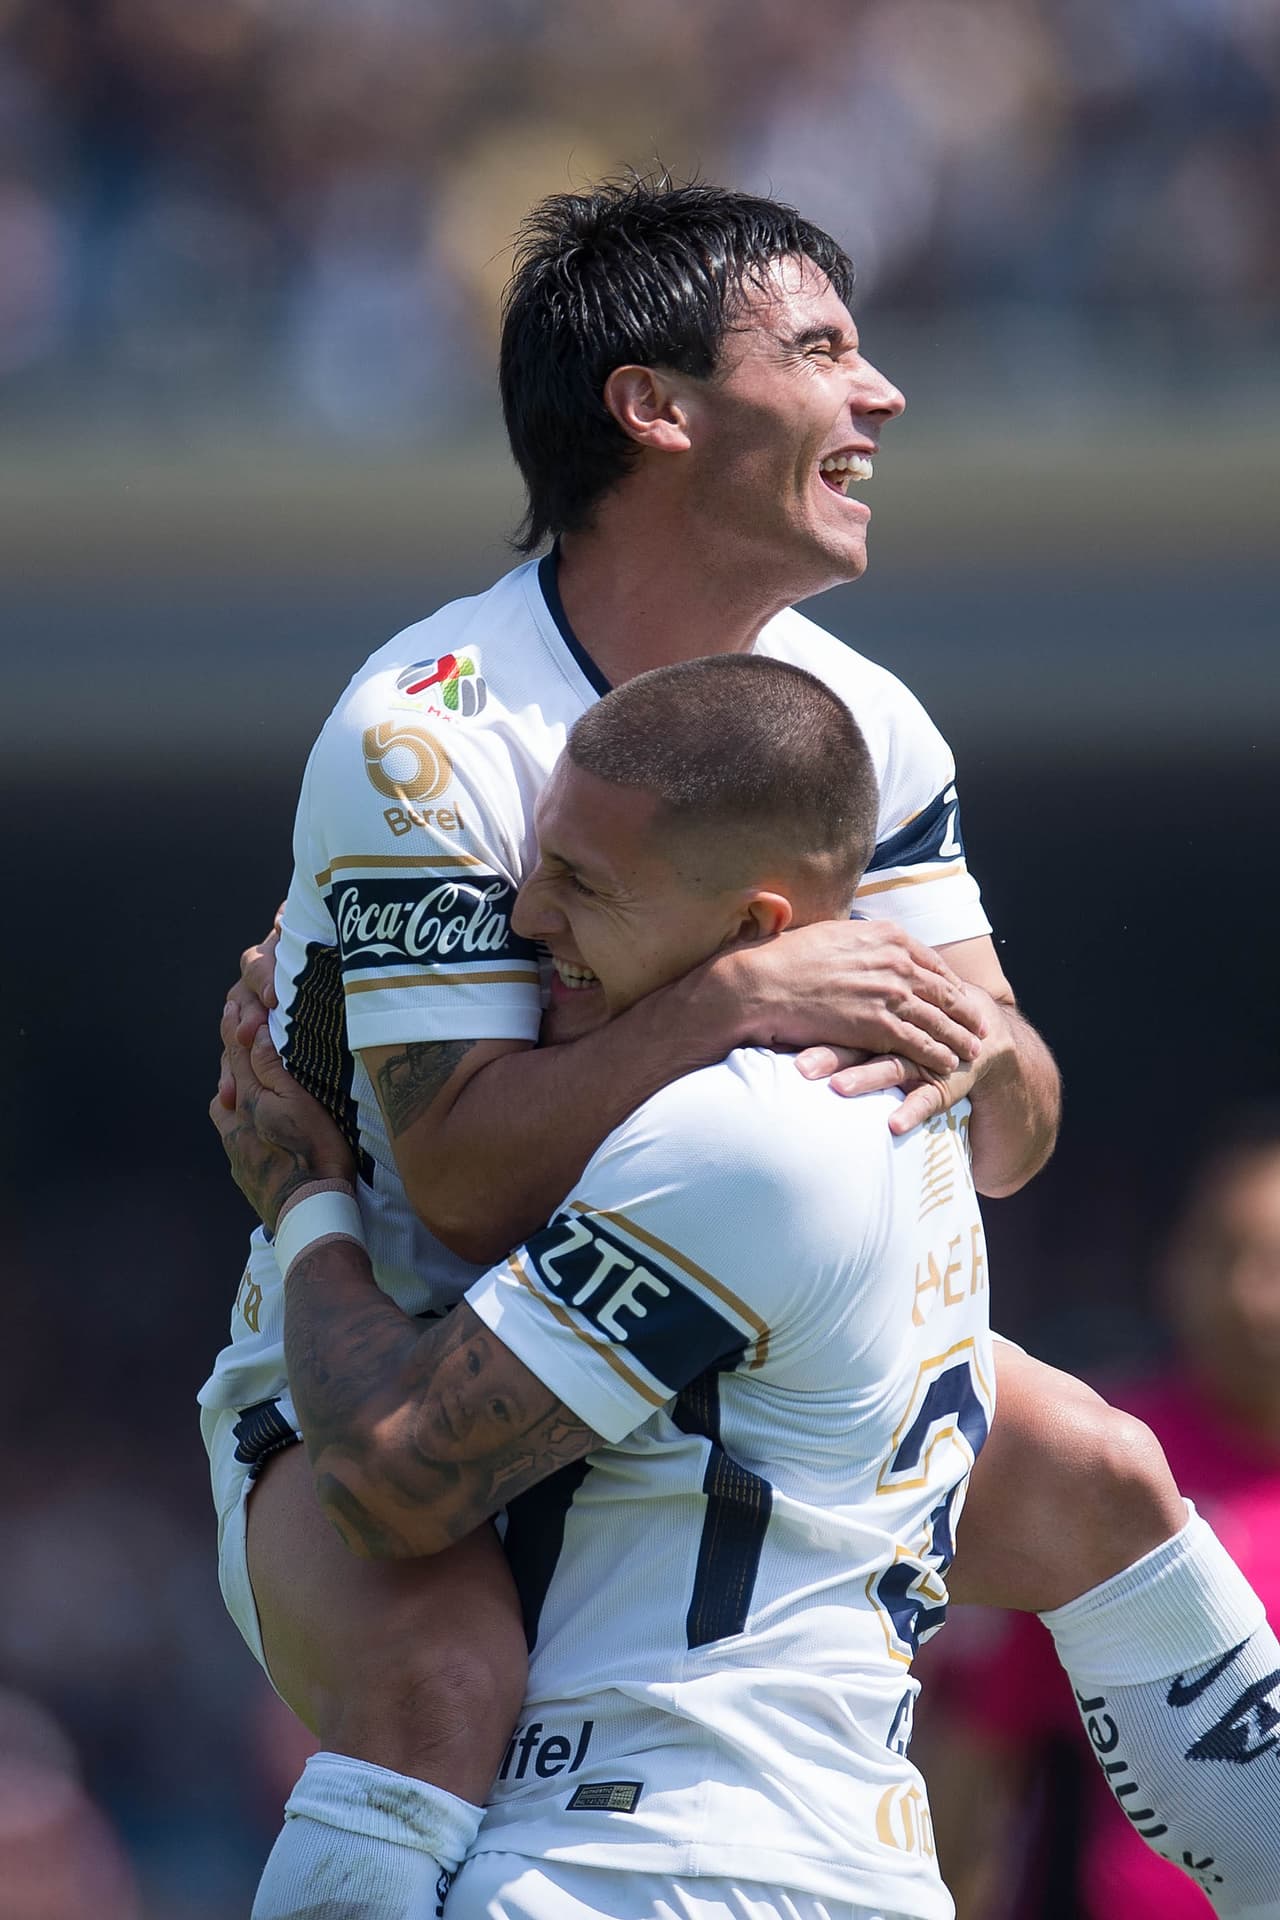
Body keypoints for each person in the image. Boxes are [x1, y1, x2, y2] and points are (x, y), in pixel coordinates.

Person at [201, 177, 1277, 1917]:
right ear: (656, 405)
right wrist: (737, 997)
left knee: (1110, 1478)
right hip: (402, 1354)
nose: (883, 395)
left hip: (739, 1334)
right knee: (440, 1687)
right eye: (826, 350)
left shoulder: (863, 720)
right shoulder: (430, 732)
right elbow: (463, 1185)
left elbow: (1013, 1129)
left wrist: (970, 1044)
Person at [214, 653, 998, 1920]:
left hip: (639, 1866)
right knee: (1110, 1474)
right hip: (849, 1863)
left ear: (756, 931)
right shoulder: (911, 1116)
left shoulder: (741, 1139)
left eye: (582, 883)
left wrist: (306, 1195)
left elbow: (389, 1479)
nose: (527, 916)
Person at [919, 1109, 1280, 1920]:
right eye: (1225, 1255)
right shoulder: (1096, 1458)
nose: (1252, 1298)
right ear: (1173, 1264)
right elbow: (977, 1758)